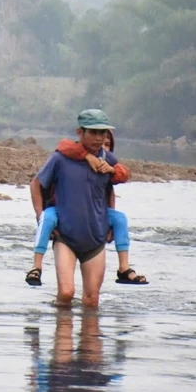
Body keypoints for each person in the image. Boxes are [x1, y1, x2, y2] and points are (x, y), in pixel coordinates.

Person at [27, 129, 147, 286]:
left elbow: (115, 184)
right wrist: (86, 155)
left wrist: (111, 170)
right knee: (47, 218)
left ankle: (124, 267)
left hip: (94, 228)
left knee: (120, 218)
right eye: (95, 137)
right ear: (80, 134)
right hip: (63, 213)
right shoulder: (66, 155)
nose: (101, 145)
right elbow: (64, 145)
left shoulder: (108, 161)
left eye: (107, 144)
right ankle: (36, 266)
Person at [29, 109, 121, 309]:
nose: (99, 138)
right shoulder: (61, 159)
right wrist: (40, 216)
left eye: (103, 133)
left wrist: (111, 222)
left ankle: (90, 338)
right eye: (93, 133)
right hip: (66, 237)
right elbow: (36, 184)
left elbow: (109, 191)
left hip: (96, 238)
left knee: (91, 300)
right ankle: (62, 334)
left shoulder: (109, 161)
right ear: (80, 132)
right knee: (66, 292)